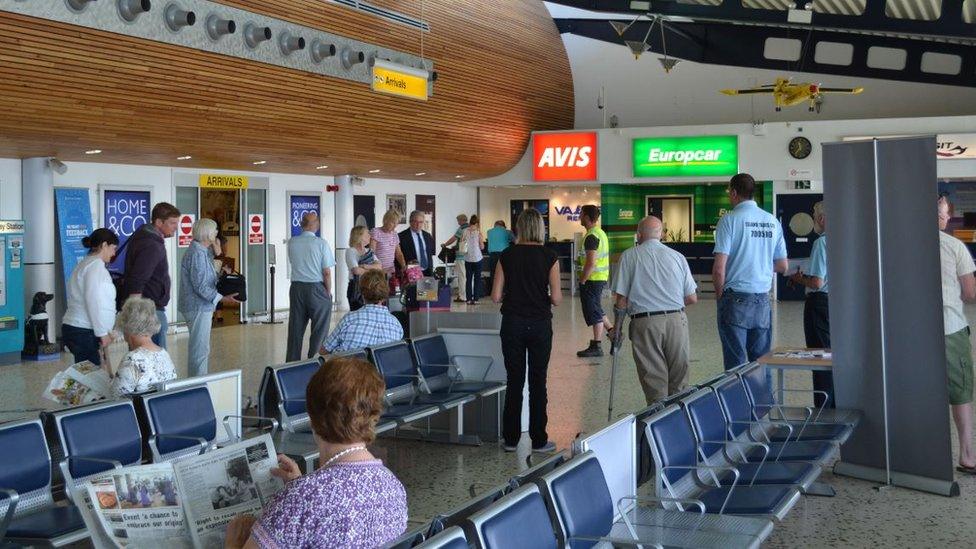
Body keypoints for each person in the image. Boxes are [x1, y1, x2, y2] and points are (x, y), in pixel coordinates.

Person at [224, 357, 408, 549]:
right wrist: (300, 487)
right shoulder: (392, 486)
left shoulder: (302, 499)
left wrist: (234, 542)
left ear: (312, 416)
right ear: (373, 415)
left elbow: (313, 505)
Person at [491, 208, 561, 453]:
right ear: (540, 229)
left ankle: (510, 439)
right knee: (538, 381)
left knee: (514, 380)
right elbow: (557, 299)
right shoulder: (550, 256)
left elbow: (496, 296)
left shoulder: (506, 255)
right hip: (540, 324)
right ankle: (539, 439)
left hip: (512, 323)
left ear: (519, 228)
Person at [612, 216, 697, 405]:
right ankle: (679, 423)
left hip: (645, 323)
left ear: (639, 234)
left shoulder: (629, 256)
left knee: (654, 384)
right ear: (661, 234)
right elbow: (692, 298)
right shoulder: (678, 257)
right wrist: (669, 301)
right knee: (680, 381)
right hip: (677, 320)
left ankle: (659, 426)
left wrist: (616, 330)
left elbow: (622, 301)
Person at [712, 173, 788, 371]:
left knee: (735, 365)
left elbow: (719, 269)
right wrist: (759, 266)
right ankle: (764, 401)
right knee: (761, 362)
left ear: (734, 193)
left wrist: (721, 298)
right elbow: (782, 266)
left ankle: (738, 402)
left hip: (735, 298)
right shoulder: (772, 221)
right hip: (762, 300)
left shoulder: (729, 221)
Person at [937, 198, 976, 474]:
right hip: (949, 327)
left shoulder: (898, 245)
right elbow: (970, 293)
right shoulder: (953, 246)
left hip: (909, 332)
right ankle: (967, 454)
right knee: (960, 391)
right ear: (942, 217)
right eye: (946, 214)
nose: (947, 219)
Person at [178, 218, 239, 377]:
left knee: (201, 348)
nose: (217, 233)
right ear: (207, 234)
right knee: (200, 350)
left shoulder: (202, 251)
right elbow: (200, 286)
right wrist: (222, 298)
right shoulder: (197, 254)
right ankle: (197, 385)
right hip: (197, 306)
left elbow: (209, 273)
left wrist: (218, 251)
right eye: (215, 231)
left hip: (199, 306)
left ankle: (197, 382)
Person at [788, 201, 834, 409]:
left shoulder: (821, 243)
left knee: (820, 358)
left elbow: (817, 282)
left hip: (820, 305)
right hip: (838, 304)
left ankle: (824, 408)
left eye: (814, 216)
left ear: (822, 219)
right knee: (834, 355)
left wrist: (799, 279)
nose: (814, 220)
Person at [123, 202, 181, 349]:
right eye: (172, 223)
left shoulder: (145, 238)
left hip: (148, 308)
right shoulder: (151, 244)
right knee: (155, 356)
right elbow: (138, 277)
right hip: (150, 310)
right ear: (159, 222)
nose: (176, 227)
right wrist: (135, 311)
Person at [62, 228, 119, 366]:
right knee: (90, 379)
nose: (114, 253)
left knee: (85, 375)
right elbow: (93, 300)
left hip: (78, 328)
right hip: (84, 330)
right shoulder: (95, 267)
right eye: (113, 248)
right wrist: (102, 333)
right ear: (104, 245)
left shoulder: (85, 264)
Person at [286, 212, 336, 362]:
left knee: (295, 328)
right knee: (319, 329)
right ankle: (314, 362)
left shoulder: (292, 242)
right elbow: (326, 272)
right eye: (317, 221)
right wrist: (328, 291)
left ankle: (291, 362)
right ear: (312, 224)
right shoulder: (321, 243)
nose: (318, 223)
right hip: (316, 288)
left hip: (296, 288)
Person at [319, 270, 404, 355]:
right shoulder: (396, 325)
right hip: (380, 368)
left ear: (362, 293)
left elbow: (324, 350)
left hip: (348, 366)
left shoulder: (349, 319)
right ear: (385, 294)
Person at [111, 296, 177, 397]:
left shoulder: (132, 361)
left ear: (128, 327)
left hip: (138, 411)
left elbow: (115, 399)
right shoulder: (164, 354)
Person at [576, 205, 614, 358]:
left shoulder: (592, 236)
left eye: (581, 214)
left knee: (593, 311)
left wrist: (583, 280)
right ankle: (612, 333)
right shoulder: (600, 233)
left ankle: (597, 345)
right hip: (598, 278)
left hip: (592, 279)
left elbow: (591, 262)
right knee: (596, 308)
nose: (579, 216)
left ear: (586, 217)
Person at [345, 226, 382, 312]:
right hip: (356, 287)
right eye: (367, 234)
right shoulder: (351, 251)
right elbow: (356, 271)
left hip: (370, 286)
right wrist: (373, 270)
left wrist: (365, 266)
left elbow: (379, 267)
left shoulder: (368, 251)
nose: (370, 236)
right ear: (359, 235)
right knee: (357, 312)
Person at [441, 214, 470, 303]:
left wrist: (445, 244)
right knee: (468, 276)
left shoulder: (461, 229)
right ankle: (469, 295)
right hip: (469, 256)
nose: (458, 223)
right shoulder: (471, 229)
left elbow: (454, 238)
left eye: (458, 221)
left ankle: (462, 296)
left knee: (461, 276)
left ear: (461, 220)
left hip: (461, 256)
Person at [398, 210, 435, 277]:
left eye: (421, 222)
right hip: (410, 273)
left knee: (429, 288)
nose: (418, 225)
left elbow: (429, 254)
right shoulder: (401, 236)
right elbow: (398, 255)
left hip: (427, 272)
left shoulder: (427, 236)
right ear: (410, 221)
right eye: (416, 222)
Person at [370, 210, 405, 276]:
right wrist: (378, 267)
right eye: (393, 223)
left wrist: (403, 265)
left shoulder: (395, 234)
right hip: (378, 272)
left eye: (396, 223)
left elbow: (399, 253)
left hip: (391, 271)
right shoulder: (376, 232)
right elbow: (372, 253)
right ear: (386, 220)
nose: (395, 226)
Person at [463, 215, 485, 305]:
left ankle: (468, 299)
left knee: (468, 279)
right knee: (477, 279)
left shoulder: (465, 231)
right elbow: (482, 246)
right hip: (477, 258)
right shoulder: (478, 232)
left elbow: (462, 242)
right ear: (477, 223)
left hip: (468, 258)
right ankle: (475, 299)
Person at [486, 220, 514, 290]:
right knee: (505, 272)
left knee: (493, 273)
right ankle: (504, 290)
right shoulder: (508, 232)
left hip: (492, 254)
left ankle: (494, 290)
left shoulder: (489, 232)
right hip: (504, 254)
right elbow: (515, 241)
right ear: (504, 226)